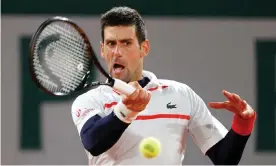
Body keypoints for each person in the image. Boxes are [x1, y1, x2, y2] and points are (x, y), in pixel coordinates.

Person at [71, 6, 256, 165]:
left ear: (144, 48)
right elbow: (93, 143)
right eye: (111, 44)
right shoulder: (90, 101)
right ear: (102, 50)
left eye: (126, 43)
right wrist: (126, 110)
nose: (117, 52)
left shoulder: (181, 95)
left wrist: (243, 123)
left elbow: (225, 159)